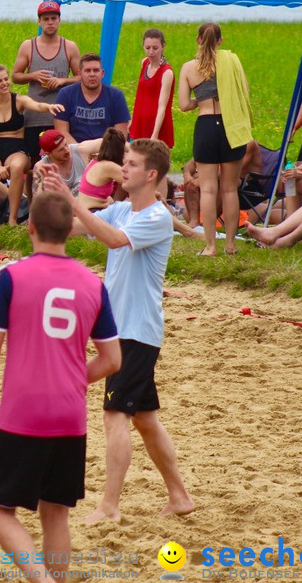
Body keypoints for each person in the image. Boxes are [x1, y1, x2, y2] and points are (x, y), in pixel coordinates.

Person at [0, 191, 120, 580]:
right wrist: (75, 378)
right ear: (70, 231)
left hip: (23, 414)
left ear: (30, 227)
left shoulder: (10, 277)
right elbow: (112, 360)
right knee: (55, 513)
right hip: (70, 414)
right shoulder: (93, 284)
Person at [44, 138, 195, 524]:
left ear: (151, 174)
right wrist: (52, 197)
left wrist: (73, 198)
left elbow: (113, 240)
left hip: (136, 333)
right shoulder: (123, 209)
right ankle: (179, 496)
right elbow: (74, 229)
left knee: (115, 416)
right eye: (123, 161)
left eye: (130, 163)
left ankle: (109, 506)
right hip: (124, 331)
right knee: (144, 419)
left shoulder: (156, 217)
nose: (122, 168)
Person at [178, 22, 254, 256]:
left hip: (206, 125)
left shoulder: (189, 68)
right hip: (230, 127)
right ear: (220, 41)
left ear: (198, 40)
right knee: (230, 189)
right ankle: (230, 245)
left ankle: (211, 246)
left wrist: (200, 99)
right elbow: (245, 92)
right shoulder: (232, 61)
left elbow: (183, 105)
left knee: (209, 190)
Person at [0, 63, 63, 226]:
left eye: (6, 79)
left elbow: (36, 105)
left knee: (16, 167)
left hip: (16, 148)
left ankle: (12, 219)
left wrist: (49, 107)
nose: (4, 83)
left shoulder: (18, 100)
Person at [13, 1, 81, 161]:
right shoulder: (28, 46)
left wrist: (61, 81)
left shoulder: (69, 47)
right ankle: (30, 187)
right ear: (39, 22)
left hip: (62, 118)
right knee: (34, 163)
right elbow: (15, 76)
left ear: (59, 20)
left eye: (53, 18)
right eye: (46, 19)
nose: (50, 22)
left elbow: (81, 77)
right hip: (34, 117)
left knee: (63, 160)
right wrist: (33, 76)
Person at [54, 54, 130, 144]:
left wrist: (102, 153)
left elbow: (121, 135)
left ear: (102, 73)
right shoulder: (66, 94)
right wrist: (80, 152)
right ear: (79, 74)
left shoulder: (116, 96)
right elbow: (62, 132)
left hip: (106, 150)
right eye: (87, 71)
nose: (92, 74)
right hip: (74, 150)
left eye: (96, 70)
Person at [129, 29, 175, 147]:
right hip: (141, 120)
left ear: (163, 46)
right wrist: (133, 121)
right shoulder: (144, 63)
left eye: (155, 48)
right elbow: (140, 95)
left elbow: (163, 106)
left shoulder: (166, 72)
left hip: (156, 124)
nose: (151, 52)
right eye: (147, 47)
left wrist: (154, 135)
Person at [78, 128, 127, 211]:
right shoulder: (108, 166)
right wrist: (156, 195)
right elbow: (134, 183)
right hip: (92, 211)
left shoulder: (94, 161)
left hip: (88, 209)